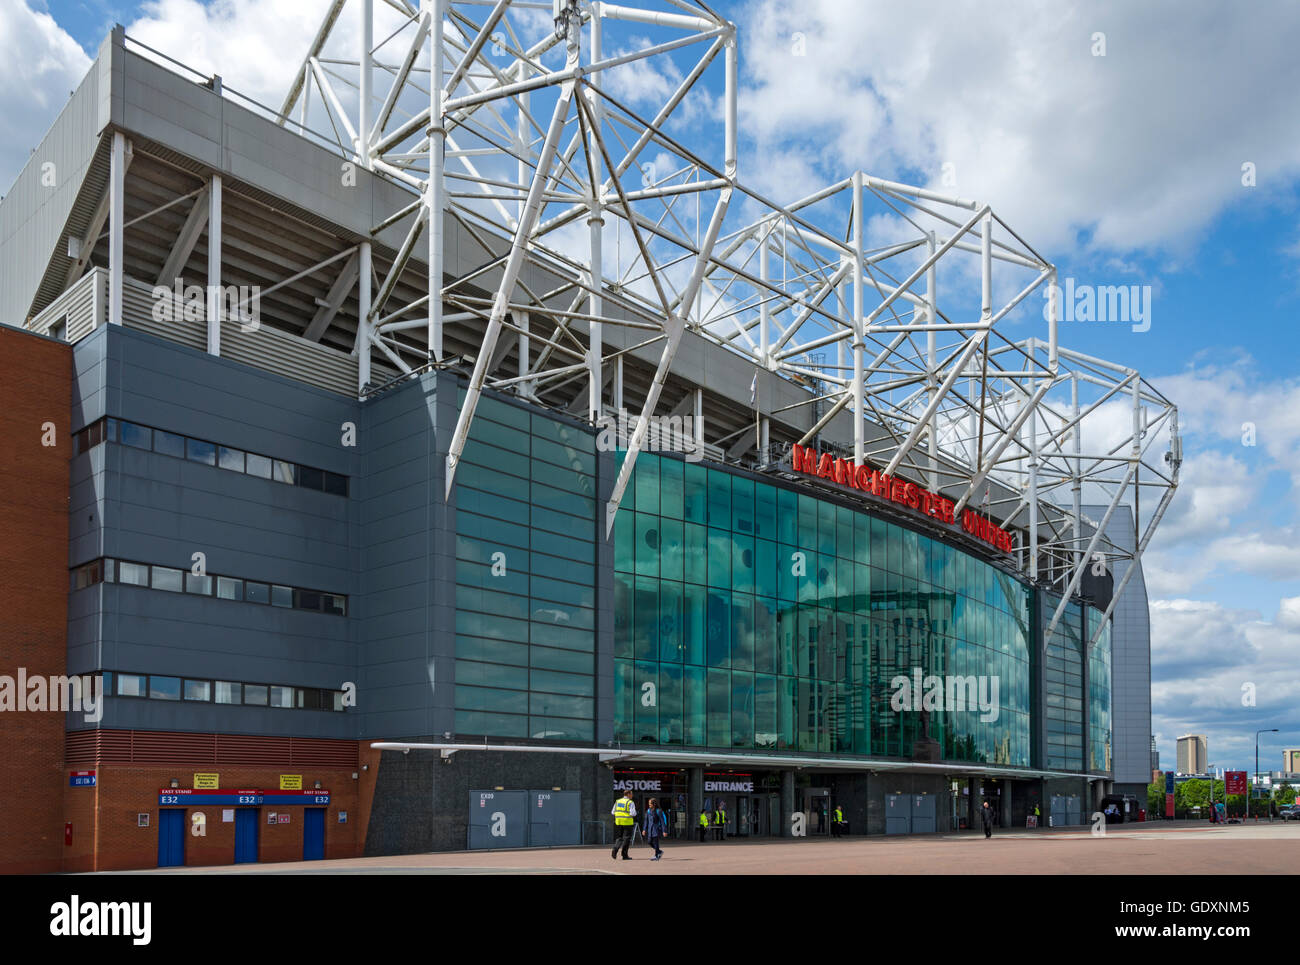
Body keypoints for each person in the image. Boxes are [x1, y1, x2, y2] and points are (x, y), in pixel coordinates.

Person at [611, 789, 638, 860]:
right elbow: (633, 813)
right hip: (627, 823)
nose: (632, 795)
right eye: (631, 794)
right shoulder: (630, 802)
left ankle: (615, 849)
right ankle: (624, 855)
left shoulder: (618, 801)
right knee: (627, 839)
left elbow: (613, 812)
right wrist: (635, 813)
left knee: (619, 838)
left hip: (618, 822)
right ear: (628, 794)